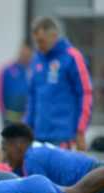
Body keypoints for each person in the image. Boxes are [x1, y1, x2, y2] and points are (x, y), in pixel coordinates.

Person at [1, 123, 104, 193]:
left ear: (18, 145)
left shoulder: (32, 159)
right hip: (92, 180)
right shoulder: (35, 151)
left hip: (94, 181)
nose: (4, 157)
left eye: (5, 149)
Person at [26, 17, 93, 150]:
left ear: (53, 35)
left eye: (41, 41)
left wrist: (80, 130)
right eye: (36, 42)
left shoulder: (73, 57)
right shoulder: (36, 59)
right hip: (38, 134)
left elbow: (85, 93)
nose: (39, 46)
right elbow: (32, 96)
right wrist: (27, 127)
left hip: (64, 136)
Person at [0, 43, 32, 125]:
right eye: (23, 53)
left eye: (28, 54)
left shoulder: (35, 70)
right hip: (10, 115)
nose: (25, 56)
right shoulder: (7, 70)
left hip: (28, 116)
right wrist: (2, 110)